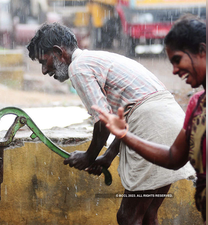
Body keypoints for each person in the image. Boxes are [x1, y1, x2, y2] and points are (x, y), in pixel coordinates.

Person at [27, 22, 195, 224]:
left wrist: (89, 156)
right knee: (148, 214)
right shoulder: (96, 59)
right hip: (169, 122)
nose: (45, 71)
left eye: (43, 62)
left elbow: (104, 122)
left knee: (128, 217)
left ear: (58, 52)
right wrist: (107, 156)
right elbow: (123, 120)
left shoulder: (78, 69)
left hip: (151, 124)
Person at [91, 15, 206, 222]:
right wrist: (124, 135)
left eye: (178, 60)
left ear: (203, 51)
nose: (174, 70)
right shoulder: (197, 105)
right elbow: (173, 158)